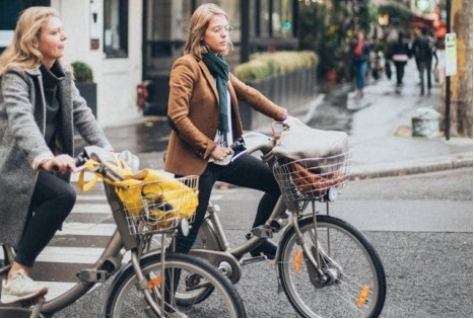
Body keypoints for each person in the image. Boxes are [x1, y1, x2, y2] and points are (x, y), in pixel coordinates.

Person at [0, 7, 112, 304]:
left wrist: (108, 151)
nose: (63, 35)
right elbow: (22, 119)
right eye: (54, 32)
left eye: (62, 30)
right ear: (33, 41)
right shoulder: (15, 76)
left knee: (53, 200)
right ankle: (17, 274)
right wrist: (43, 156)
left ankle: (17, 274)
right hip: (11, 165)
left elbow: (81, 113)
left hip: (33, 166)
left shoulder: (63, 75)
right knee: (61, 196)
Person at [164, 3, 287, 260]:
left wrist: (284, 116)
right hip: (196, 162)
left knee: (277, 182)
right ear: (201, 34)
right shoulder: (186, 66)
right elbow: (176, 117)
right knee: (186, 237)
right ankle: (161, 298)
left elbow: (249, 94)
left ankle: (258, 240)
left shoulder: (219, 68)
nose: (224, 34)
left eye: (226, 29)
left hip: (227, 156)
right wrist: (209, 147)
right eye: (217, 29)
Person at [412, 28, 438, 95]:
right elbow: (433, 49)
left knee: (422, 74)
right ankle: (429, 88)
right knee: (428, 73)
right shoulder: (431, 39)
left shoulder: (418, 39)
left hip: (421, 58)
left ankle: (422, 89)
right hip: (429, 58)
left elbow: (413, 47)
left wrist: (415, 55)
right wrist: (436, 58)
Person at [350, 31, 370, 98]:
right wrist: (353, 58)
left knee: (362, 74)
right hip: (356, 61)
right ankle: (359, 88)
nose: (360, 36)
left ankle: (361, 89)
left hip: (363, 61)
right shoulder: (354, 44)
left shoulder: (365, 44)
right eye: (359, 35)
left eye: (361, 35)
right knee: (358, 75)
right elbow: (351, 52)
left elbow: (367, 53)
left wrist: (364, 57)